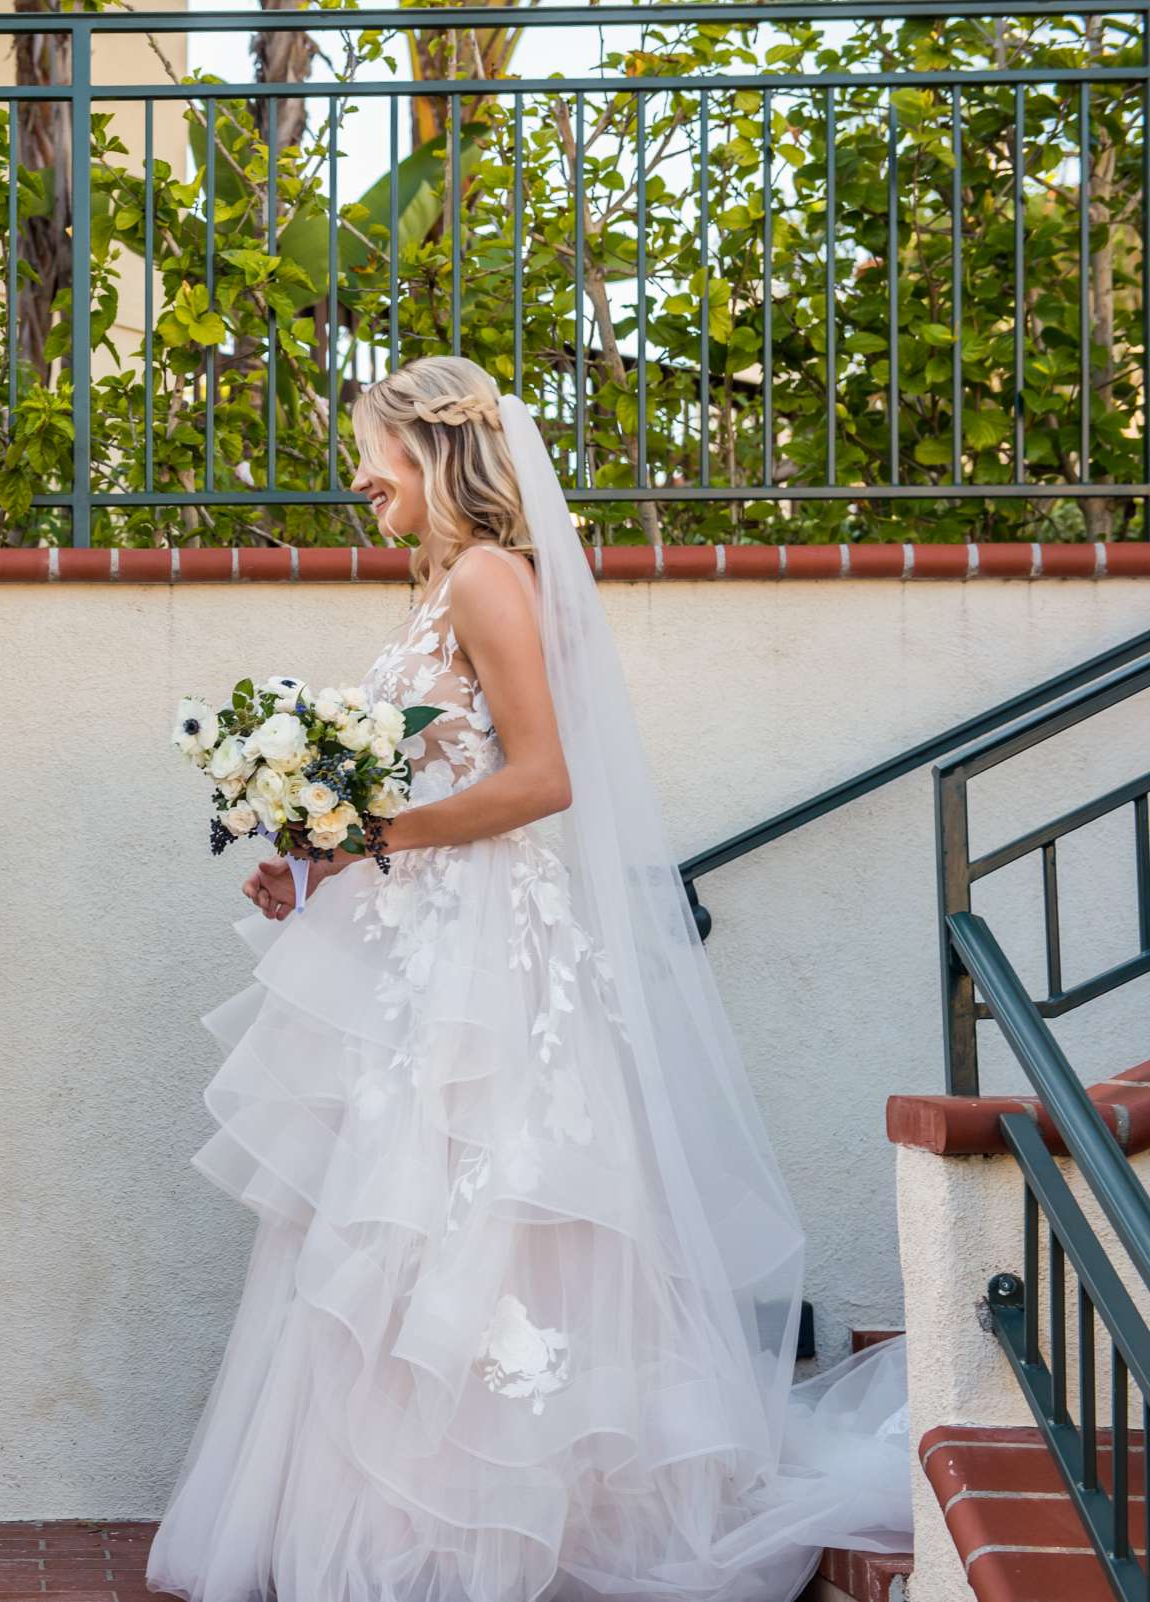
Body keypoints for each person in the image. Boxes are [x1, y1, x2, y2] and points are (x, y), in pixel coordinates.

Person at [146, 356, 911, 1602]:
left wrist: (368, 837)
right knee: (387, 1226)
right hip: (411, 949)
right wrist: (314, 858)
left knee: (484, 1223)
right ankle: (393, 1528)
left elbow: (542, 779)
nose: (358, 479)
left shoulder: (491, 580)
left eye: (371, 454)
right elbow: (414, 785)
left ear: (431, 453)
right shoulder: (432, 594)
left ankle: (485, 1530)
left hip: (489, 963)